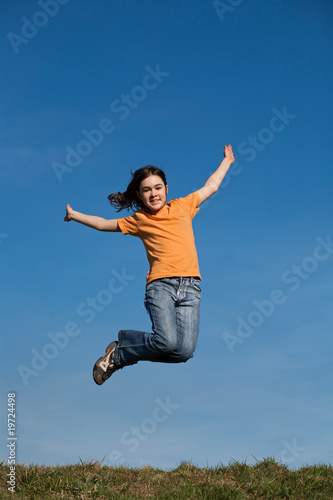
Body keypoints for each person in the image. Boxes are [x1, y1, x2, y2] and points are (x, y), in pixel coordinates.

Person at [64, 145, 235, 386]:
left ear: (166, 189)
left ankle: (123, 348)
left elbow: (212, 186)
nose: (153, 194)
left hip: (191, 289)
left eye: (157, 188)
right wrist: (75, 215)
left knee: (183, 352)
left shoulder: (183, 207)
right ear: (139, 195)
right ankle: (121, 353)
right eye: (146, 190)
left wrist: (227, 161)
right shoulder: (139, 220)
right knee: (165, 342)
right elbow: (103, 224)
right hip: (161, 286)